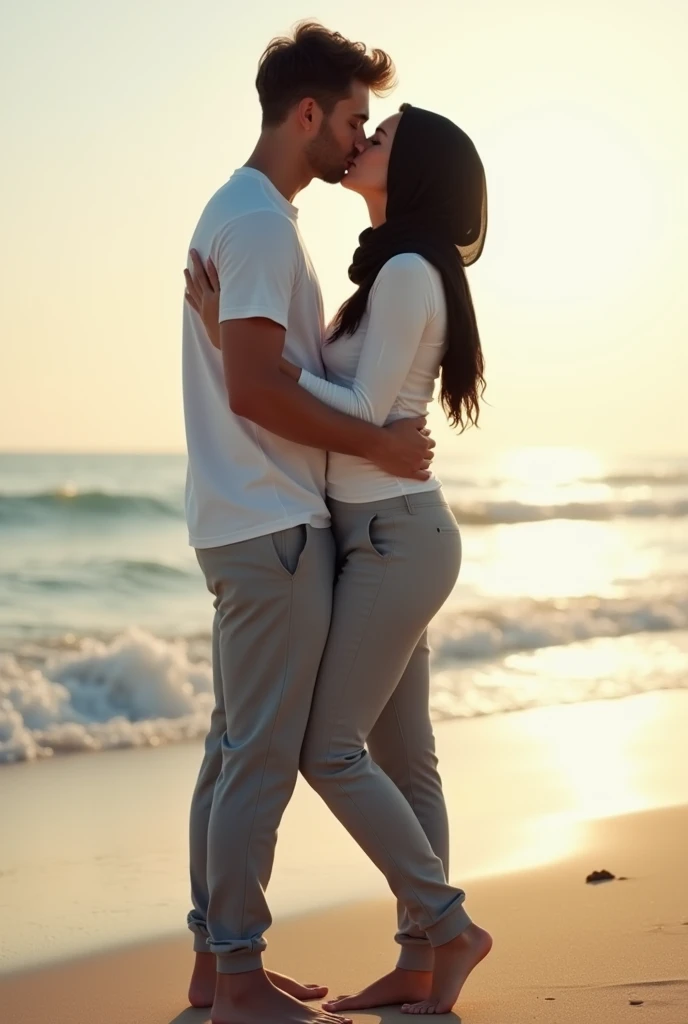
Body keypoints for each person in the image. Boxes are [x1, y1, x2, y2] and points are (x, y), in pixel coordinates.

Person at [186, 103, 493, 1016]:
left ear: (417, 172)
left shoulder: (404, 271)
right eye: (365, 125)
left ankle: (446, 925)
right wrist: (238, 342)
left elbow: (358, 413)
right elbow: (353, 408)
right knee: (406, 759)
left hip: (395, 537)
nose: (364, 142)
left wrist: (245, 353)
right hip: (378, 535)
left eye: (383, 136)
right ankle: (423, 963)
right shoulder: (388, 272)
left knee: (328, 748)